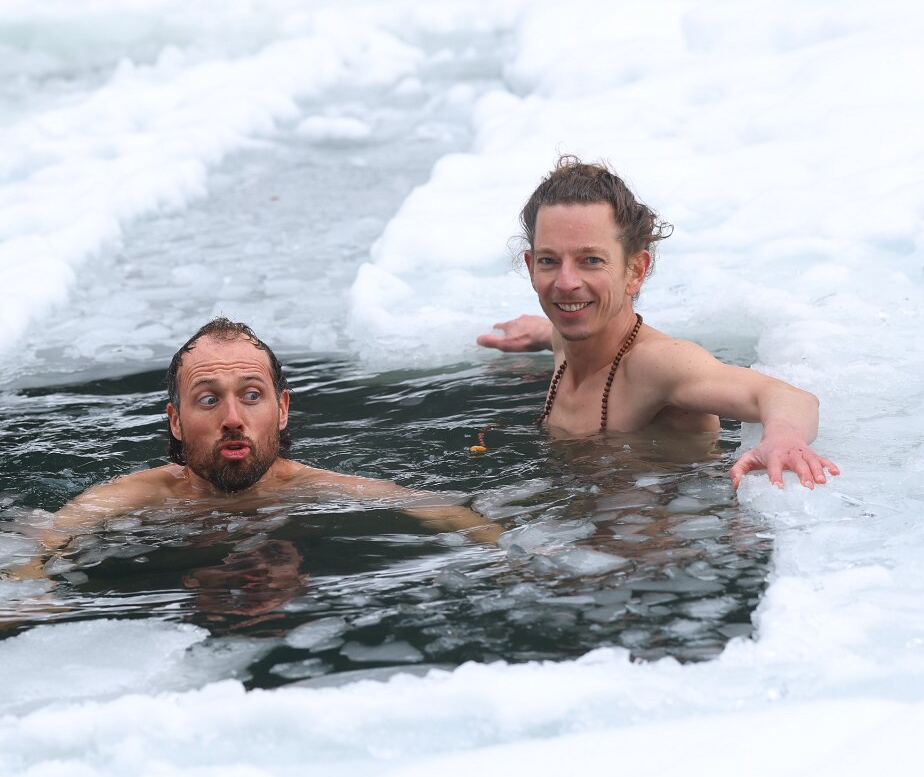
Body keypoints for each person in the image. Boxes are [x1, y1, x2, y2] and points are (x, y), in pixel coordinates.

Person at [476, 156, 839, 490]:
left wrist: (784, 437)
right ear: (531, 267)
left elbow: (788, 396)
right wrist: (539, 332)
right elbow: (557, 332)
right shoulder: (567, 339)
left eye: (591, 260)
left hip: (670, 527)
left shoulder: (656, 364)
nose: (566, 283)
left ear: (635, 270)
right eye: (549, 261)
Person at [49, 317, 499, 540]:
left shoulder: (318, 488)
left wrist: (508, 555)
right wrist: (32, 585)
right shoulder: (139, 495)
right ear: (176, 421)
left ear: (282, 409)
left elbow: (443, 511)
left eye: (251, 395)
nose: (232, 418)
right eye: (208, 399)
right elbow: (44, 538)